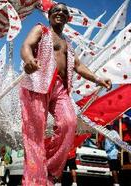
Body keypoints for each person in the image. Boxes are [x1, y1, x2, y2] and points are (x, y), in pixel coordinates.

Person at [20, 2, 112, 185]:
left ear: (68, 19)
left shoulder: (68, 45)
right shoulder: (41, 30)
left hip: (60, 88)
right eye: (56, 10)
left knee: (69, 123)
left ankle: (50, 171)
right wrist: (29, 61)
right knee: (34, 134)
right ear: (49, 15)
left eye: (64, 11)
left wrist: (98, 79)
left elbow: (78, 66)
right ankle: (35, 180)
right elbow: (26, 46)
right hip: (36, 83)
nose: (60, 12)